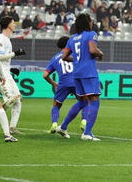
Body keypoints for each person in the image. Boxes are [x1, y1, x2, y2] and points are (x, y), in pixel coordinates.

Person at [56, 13, 104, 141]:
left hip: (77, 74)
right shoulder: (91, 34)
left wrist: (77, 59)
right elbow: (93, 50)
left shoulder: (72, 38)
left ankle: (63, 126)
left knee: (82, 101)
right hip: (88, 72)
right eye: (91, 20)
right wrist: (100, 54)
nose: (92, 23)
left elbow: (64, 56)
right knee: (94, 101)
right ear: (87, 22)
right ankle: (87, 133)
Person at [0, 17, 27, 136]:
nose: (15, 25)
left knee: (18, 100)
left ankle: (12, 127)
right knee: (11, 99)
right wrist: (15, 53)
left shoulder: (7, 39)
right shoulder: (0, 39)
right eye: (13, 23)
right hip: (0, 75)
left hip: (6, 73)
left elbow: (4, 59)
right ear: (8, 25)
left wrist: (10, 68)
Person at [43, 36, 87, 134]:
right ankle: (84, 122)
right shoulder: (76, 56)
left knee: (56, 105)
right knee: (84, 102)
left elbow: (45, 75)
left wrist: (54, 83)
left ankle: (54, 124)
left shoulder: (55, 58)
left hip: (63, 84)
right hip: (77, 82)